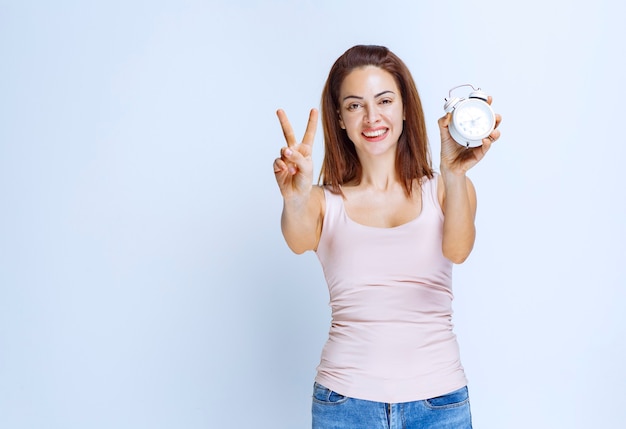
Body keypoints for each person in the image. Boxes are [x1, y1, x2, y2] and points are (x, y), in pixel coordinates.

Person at [272, 45, 501, 429]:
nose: (372, 117)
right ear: (340, 119)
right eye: (354, 105)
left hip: (439, 403)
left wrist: (454, 173)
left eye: (384, 100)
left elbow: (458, 250)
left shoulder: (444, 189)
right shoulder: (320, 202)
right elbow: (297, 241)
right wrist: (295, 197)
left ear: (405, 107)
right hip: (345, 404)